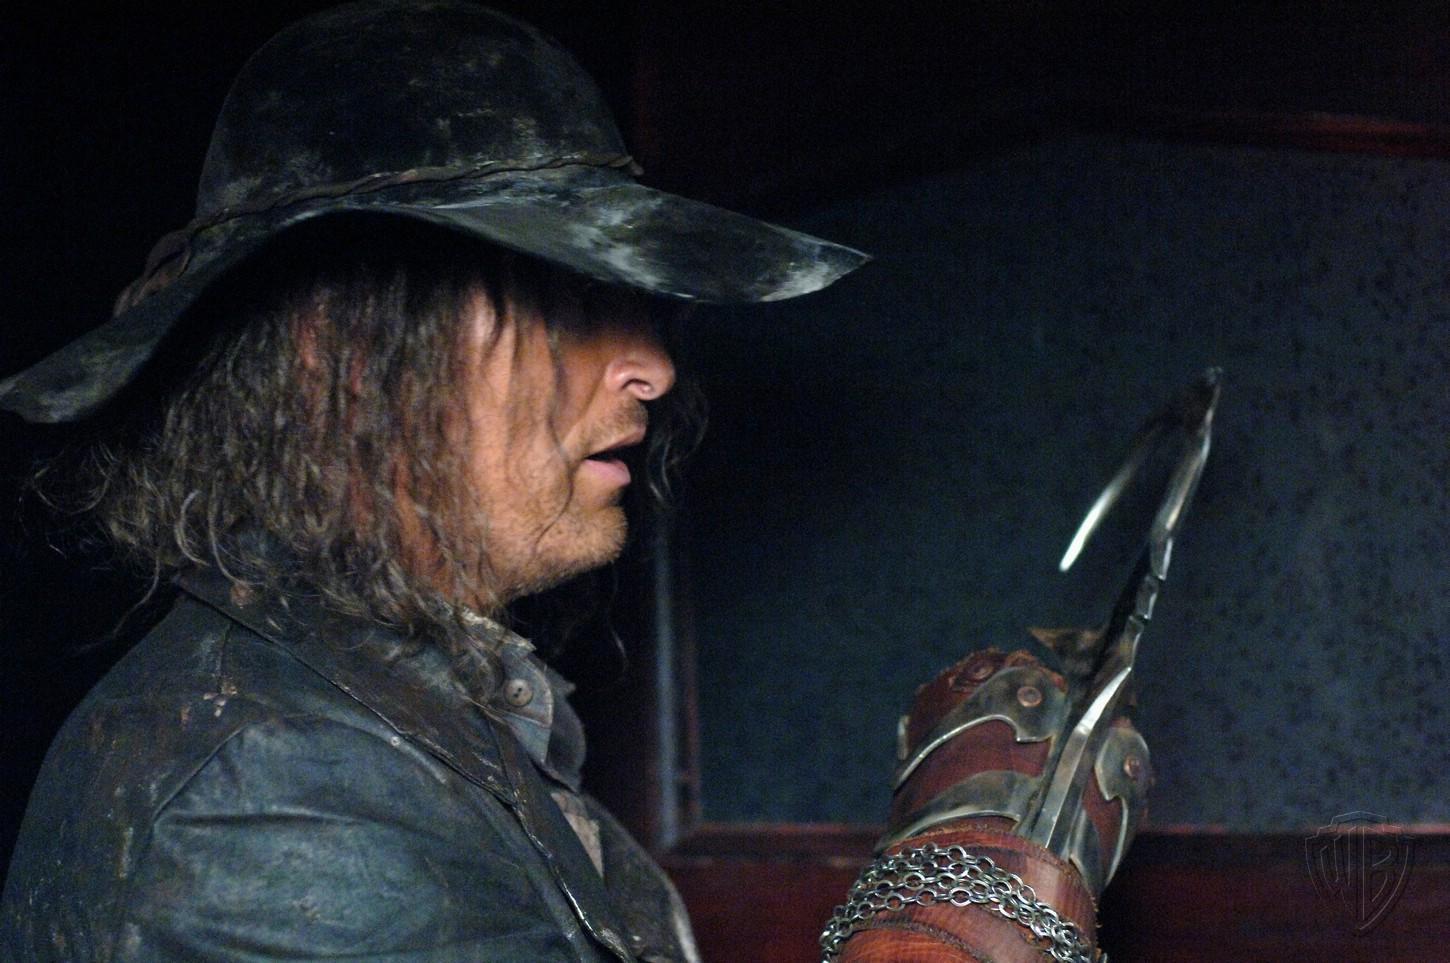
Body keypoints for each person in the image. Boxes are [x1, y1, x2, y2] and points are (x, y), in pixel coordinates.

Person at [1, 3, 1143, 961]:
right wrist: (951, 902)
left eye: (632, 301)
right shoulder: (265, 803)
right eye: (564, 301)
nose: (650, 365)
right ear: (338, 355)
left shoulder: (398, 718)